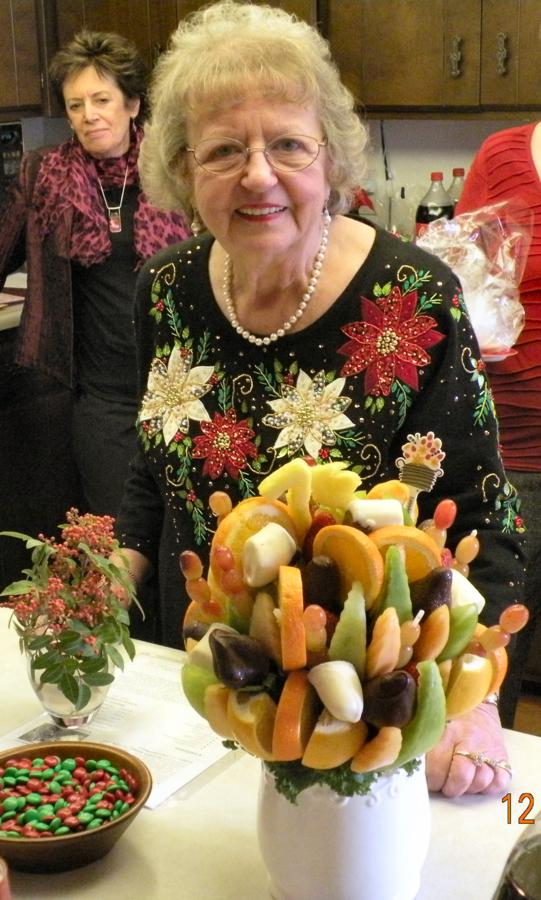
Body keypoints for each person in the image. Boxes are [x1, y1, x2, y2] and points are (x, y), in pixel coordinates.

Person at [115, 0, 527, 797]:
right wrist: (105, 578)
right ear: (183, 170)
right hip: (212, 675)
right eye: (223, 149)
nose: (257, 174)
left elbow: (482, 514)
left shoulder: (411, 296)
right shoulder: (162, 291)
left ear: (330, 159)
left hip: (369, 699)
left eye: (287, 144)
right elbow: (153, 469)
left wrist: (470, 698)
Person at [0, 30, 190, 519]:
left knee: (183, 529)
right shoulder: (43, 174)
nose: (89, 115)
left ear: (132, 104)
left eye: (102, 100)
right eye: (76, 104)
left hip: (178, 387)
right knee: (118, 533)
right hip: (98, 397)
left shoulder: (175, 172)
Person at [455, 124, 541, 730]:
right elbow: (461, 279)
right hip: (511, 462)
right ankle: (494, 784)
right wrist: (479, 324)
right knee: (486, 670)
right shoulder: (502, 156)